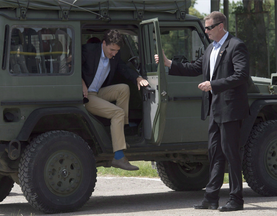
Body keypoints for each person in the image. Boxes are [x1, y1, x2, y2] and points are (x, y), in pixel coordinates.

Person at [155, 11, 249, 211]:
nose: (206, 31)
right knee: (214, 154)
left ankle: (236, 199)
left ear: (220, 26)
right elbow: (193, 68)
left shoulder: (236, 46)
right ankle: (211, 197)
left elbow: (241, 76)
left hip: (231, 109)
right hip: (214, 109)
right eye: (205, 28)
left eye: (208, 28)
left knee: (231, 154)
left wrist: (213, 85)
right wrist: (168, 63)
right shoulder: (210, 49)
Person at [82, 29, 149, 171]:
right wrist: (81, 83)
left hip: (98, 92)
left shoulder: (114, 56)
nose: (114, 53)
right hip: (85, 96)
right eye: (112, 49)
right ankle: (119, 157)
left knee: (123, 89)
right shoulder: (89, 50)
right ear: (104, 43)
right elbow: (71, 66)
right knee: (117, 113)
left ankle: (121, 135)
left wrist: (138, 78)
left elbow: (124, 69)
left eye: (117, 51)